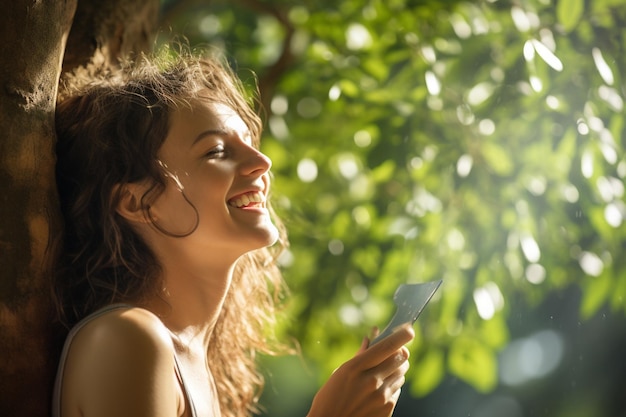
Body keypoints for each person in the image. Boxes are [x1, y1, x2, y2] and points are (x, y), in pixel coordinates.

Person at [51, 49, 415, 417]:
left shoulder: (191, 364)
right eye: (217, 151)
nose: (262, 161)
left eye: (249, 143)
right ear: (138, 202)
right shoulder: (126, 339)